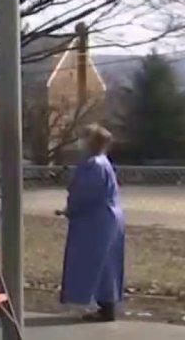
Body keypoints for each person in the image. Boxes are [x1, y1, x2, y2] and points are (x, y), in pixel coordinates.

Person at [58, 124, 125, 323]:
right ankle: (107, 306)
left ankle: (105, 306)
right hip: (106, 217)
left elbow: (84, 194)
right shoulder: (102, 163)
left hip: (96, 220)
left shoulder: (93, 165)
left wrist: (71, 209)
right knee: (106, 263)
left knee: (96, 262)